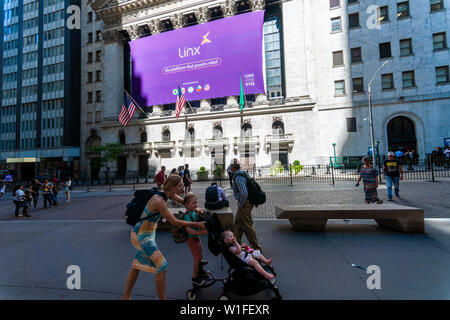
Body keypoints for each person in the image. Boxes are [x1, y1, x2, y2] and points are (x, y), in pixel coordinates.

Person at [121, 175, 206, 300]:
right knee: (162, 266)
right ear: (172, 187)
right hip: (141, 236)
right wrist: (195, 224)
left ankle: (125, 297)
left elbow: (184, 202)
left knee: (136, 266)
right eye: (180, 185)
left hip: (146, 234)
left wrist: (195, 208)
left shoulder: (166, 194)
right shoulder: (159, 201)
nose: (182, 188)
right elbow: (175, 222)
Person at [229, 158, 262, 251]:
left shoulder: (238, 176)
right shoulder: (242, 173)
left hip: (244, 203)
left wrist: (241, 204)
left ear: (231, 167)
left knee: (247, 225)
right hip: (246, 202)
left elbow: (244, 193)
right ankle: (236, 243)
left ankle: (256, 247)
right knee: (238, 223)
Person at [182, 193, 209, 286]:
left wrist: (200, 212)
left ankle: (200, 271)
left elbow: (197, 217)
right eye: (193, 203)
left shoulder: (193, 211)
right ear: (186, 204)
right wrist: (200, 233)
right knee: (197, 258)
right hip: (191, 239)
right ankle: (195, 277)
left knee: (200, 253)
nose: (196, 204)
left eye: (196, 202)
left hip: (196, 238)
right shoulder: (186, 216)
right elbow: (188, 230)